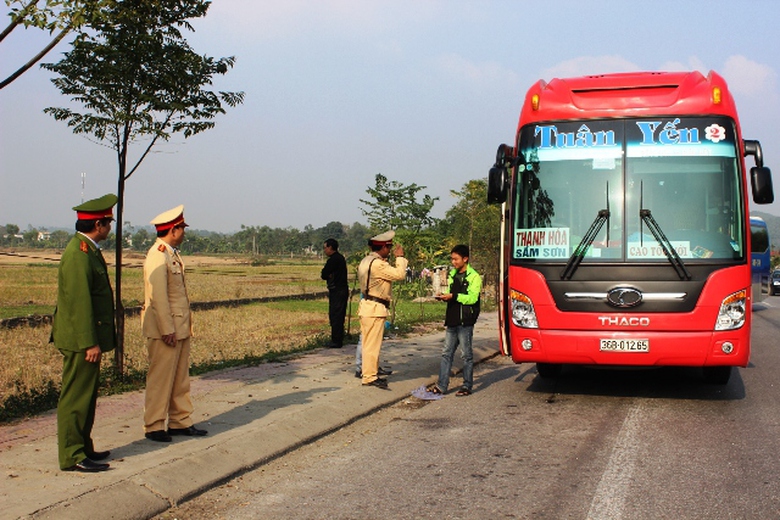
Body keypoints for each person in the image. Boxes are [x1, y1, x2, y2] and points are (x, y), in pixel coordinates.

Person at [51, 193, 118, 472]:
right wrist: (89, 342)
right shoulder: (78, 255)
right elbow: (80, 303)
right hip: (81, 341)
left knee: (87, 396)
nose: (109, 228)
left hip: (86, 339)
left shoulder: (87, 249)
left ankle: (83, 447)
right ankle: (72, 455)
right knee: (76, 397)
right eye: (108, 223)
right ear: (99, 224)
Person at [142, 205, 207, 442]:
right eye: (182, 228)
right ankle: (154, 425)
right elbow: (158, 296)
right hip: (165, 330)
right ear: (173, 229)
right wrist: (167, 329)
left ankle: (180, 421)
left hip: (178, 326)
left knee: (180, 378)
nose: (185, 233)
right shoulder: (157, 255)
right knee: (161, 379)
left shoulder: (171, 253)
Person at [357, 231, 407, 389]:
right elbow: (399, 274)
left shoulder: (366, 260)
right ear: (383, 247)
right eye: (390, 247)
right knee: (373, 345)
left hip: (367, 306)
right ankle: (370, 377)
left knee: (368, 344)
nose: (391, 250)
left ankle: (370, 371)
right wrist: (400, 258)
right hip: (375, 308)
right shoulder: (378, 264)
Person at [431, 244, 482, 396]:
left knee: (466, 355)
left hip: (465, 321)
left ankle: (467, 385)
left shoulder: (474, 276)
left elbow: (472, 298)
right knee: (446, 353)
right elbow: (451, 293)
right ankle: (442, 385)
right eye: (452, 259)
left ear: (465, 259)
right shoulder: (453, 274)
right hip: (452, 319)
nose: (453, 262)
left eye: (456, 259)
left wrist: (454, 296)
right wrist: (444, 296)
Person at [321, 238, 348, 348]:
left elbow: (324, 274)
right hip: (342, 290)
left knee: (335, 315)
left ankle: (336, 340)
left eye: (325, 247)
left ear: (330, 248)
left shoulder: (333, 260)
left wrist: (328, 275)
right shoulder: (340, 258)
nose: (324, 250)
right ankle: (338, 338)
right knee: (339, 315)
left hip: (337, 290)